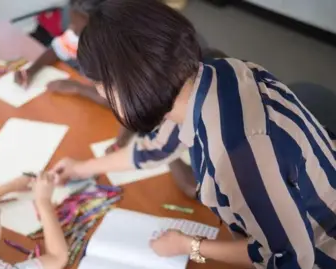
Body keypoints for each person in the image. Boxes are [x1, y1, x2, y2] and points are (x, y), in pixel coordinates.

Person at [49, 0, 336, 268]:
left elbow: (288, 257)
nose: (104, 95)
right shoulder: (212, 74)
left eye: (101, 86)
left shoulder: (238, 155)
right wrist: (81, 168)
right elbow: (156, 148)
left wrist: (191, 245)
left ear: (125, 85)